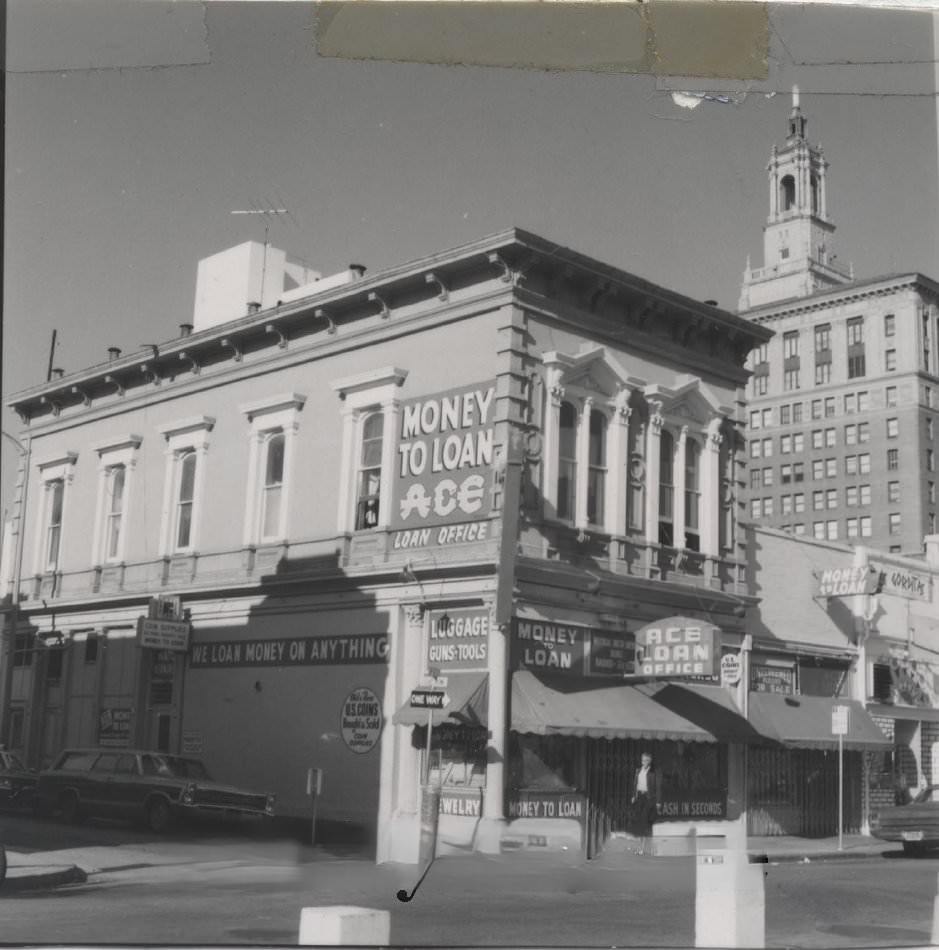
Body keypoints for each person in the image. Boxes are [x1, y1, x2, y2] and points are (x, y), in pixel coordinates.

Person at [630, 752, 659, 855]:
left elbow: (657, 787)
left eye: (646, 760)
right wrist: (634, 795)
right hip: (639, 797)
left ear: (650, 761)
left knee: (645, 821)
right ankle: (640, 846)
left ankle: (645, 847)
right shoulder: (638, 771)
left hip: (648, 798)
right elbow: (635, 784)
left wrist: (657, 801)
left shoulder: (653, 772)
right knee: (639, 821)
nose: (644, 762)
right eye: (643, 760)